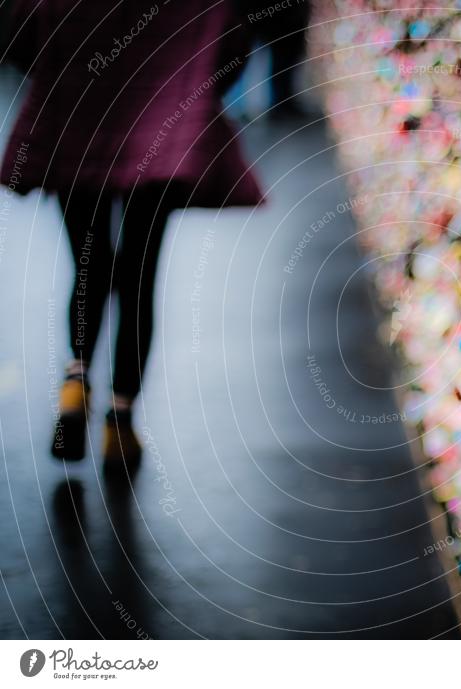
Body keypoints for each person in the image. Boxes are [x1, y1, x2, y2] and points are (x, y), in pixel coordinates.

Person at [0, 1, 264, 473]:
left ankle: (75, 380)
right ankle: (120, 420)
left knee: (88, 261)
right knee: (139, 272)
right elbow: (231, 43)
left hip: (74, 119)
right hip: (163, 130)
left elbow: (20, 33)